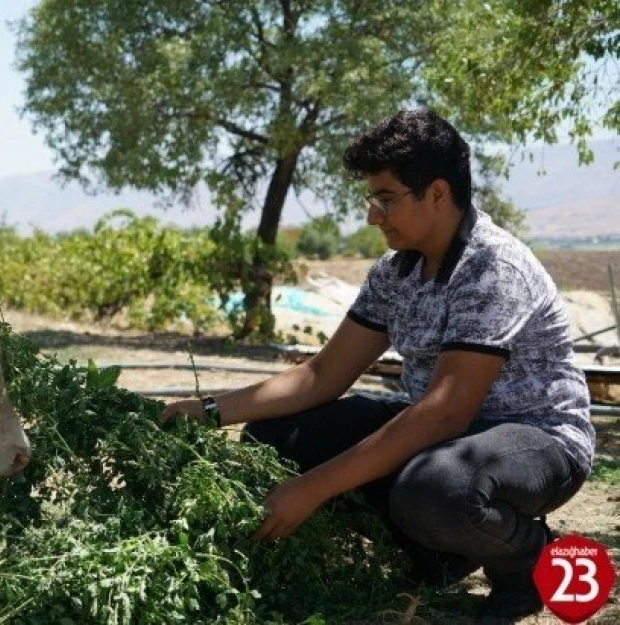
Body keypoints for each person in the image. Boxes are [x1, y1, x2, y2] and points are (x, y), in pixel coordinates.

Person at [161, 109, 595, 622]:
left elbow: (444, 413)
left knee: (436, 489)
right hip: (446, 442)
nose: (372, 215)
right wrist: (206, 411)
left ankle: (527, 559)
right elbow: (322, 376)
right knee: (277, 437)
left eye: (386, 199)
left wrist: (310, 489)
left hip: (535, 438)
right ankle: (439, 552)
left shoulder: (492, 268)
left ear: (437, 193)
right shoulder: (396, 272)